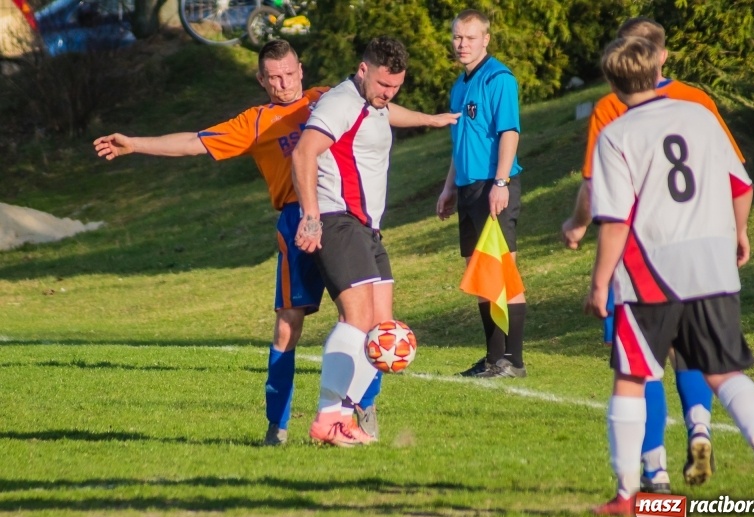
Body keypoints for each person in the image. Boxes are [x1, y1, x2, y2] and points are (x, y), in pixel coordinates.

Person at [93, 39, 456, 447]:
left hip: (339, 217)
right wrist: (136, 143)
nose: (283, 84)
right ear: (261, 79)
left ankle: (360, 407)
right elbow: (196, 141)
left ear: (301, 69)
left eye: (288, 73)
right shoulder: (256, 122)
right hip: (298, 219)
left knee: (369, 320)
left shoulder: (327, 98)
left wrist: (431, 118)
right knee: (289, 326)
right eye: (273, 77)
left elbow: (382, 110)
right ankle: (277, 425)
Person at [585, 35, 754, 516]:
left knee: (632, 376)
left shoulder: (617, 134)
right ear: (656, 70)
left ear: (613, 83)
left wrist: (600, 283)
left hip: (653, 271)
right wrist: (739, 234)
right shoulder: (699, 115)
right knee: (724, 371)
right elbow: (741, 183)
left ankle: (627, 494)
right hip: (714, 263)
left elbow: (616, 221)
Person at [562, 17, 748, 493]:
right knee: (696, 354)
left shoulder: (612, 108)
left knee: (640, 366)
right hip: (706, 256)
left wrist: (578, 226)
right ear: (662, 54)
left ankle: (651, 477)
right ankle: (702, 426)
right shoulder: (700, 102)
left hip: (643, 259)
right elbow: (737, 174)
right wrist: (739, 231)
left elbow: (596, 185)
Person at [292, 36, 459, 447]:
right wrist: (311, 217)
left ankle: (346, 416)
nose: (389, 94)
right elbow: (303, 153)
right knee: (357, 320)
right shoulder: (340, 102)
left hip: (367, 227)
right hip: (337, 219)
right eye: (384, 85)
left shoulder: (372, 102)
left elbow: (384, 114)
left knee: (381, 327)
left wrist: (430, 120)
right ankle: (326, 417)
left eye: (396, 87)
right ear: (363, 70)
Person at [436, 9, 527, 379]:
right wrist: (448, 187)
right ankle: (492, 358)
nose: (462, 44)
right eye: (458, 37)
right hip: (468, 189)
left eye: (470, 38)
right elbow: (461, 142)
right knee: (481, 275)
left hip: (495, 186)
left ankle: (514, 360)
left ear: (485, 39)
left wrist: (501, 183)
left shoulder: (499, 78)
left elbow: (509, 133)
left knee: (504, 273)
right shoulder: (460, 85)